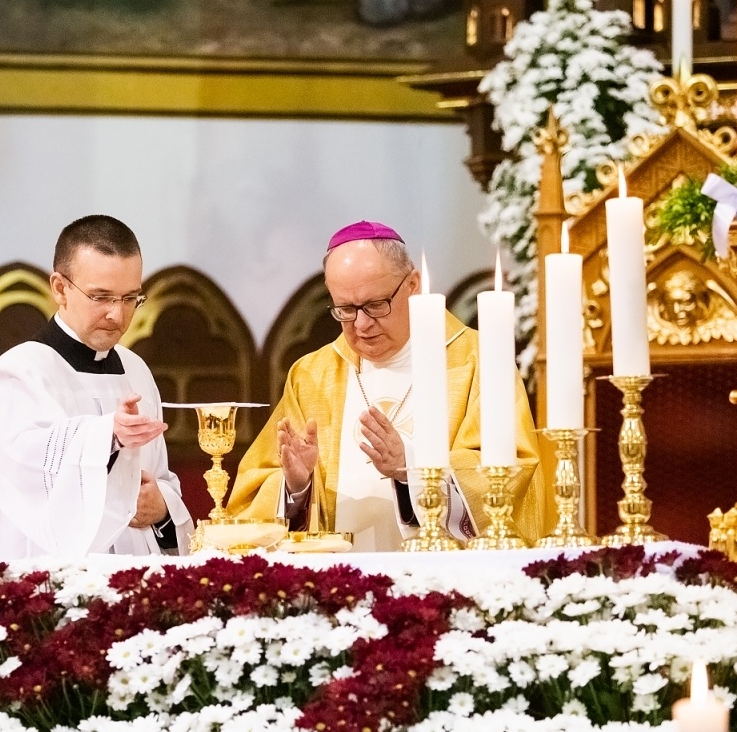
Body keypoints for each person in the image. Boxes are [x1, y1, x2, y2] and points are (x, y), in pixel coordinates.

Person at [227, 221, 546, 550]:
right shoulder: (312, 374)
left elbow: (509, 476)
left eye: (376, 305)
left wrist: (409, 466)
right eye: (346, 309)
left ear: (413, 285)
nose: (361, 325)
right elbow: (254, 499)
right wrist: (296, 486)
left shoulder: (477, 360)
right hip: (339, 581)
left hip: (438, 577)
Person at [0, 215, 192, 558]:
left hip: (139, 577)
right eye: (101, 297)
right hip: (55, 581)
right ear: (60, 288)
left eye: (130, 298)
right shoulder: (20, 371)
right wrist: (108, 436)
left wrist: (162, 508)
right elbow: (24, 476)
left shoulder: (135, 370)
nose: (117, 316)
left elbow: (160, 477)